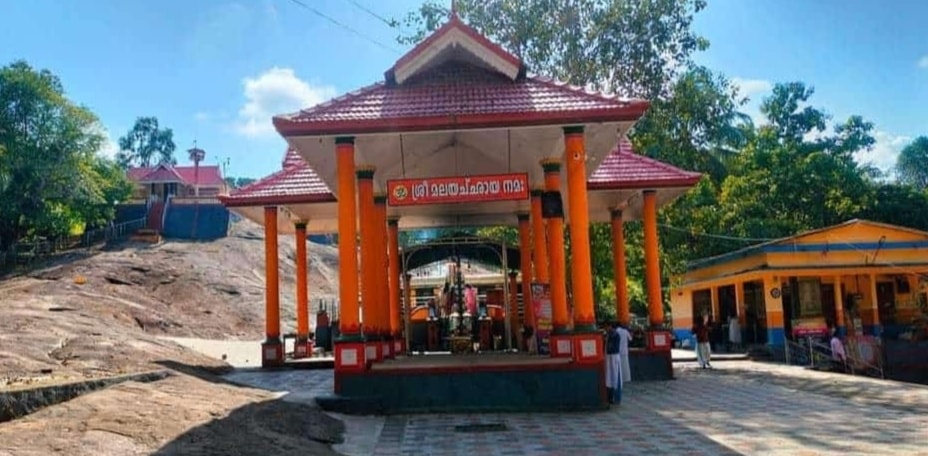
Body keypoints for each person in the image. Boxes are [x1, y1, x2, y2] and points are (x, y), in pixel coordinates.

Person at [604, 322, 623, 404]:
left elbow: (611, 346)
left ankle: (616, 397)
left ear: (611, 326)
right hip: (609, 357)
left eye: (607, 327)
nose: (606, 329)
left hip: (614, 357)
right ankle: (610, 396)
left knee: (615, 377)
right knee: (609, 378)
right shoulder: (609, 335)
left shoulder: (615, 335)